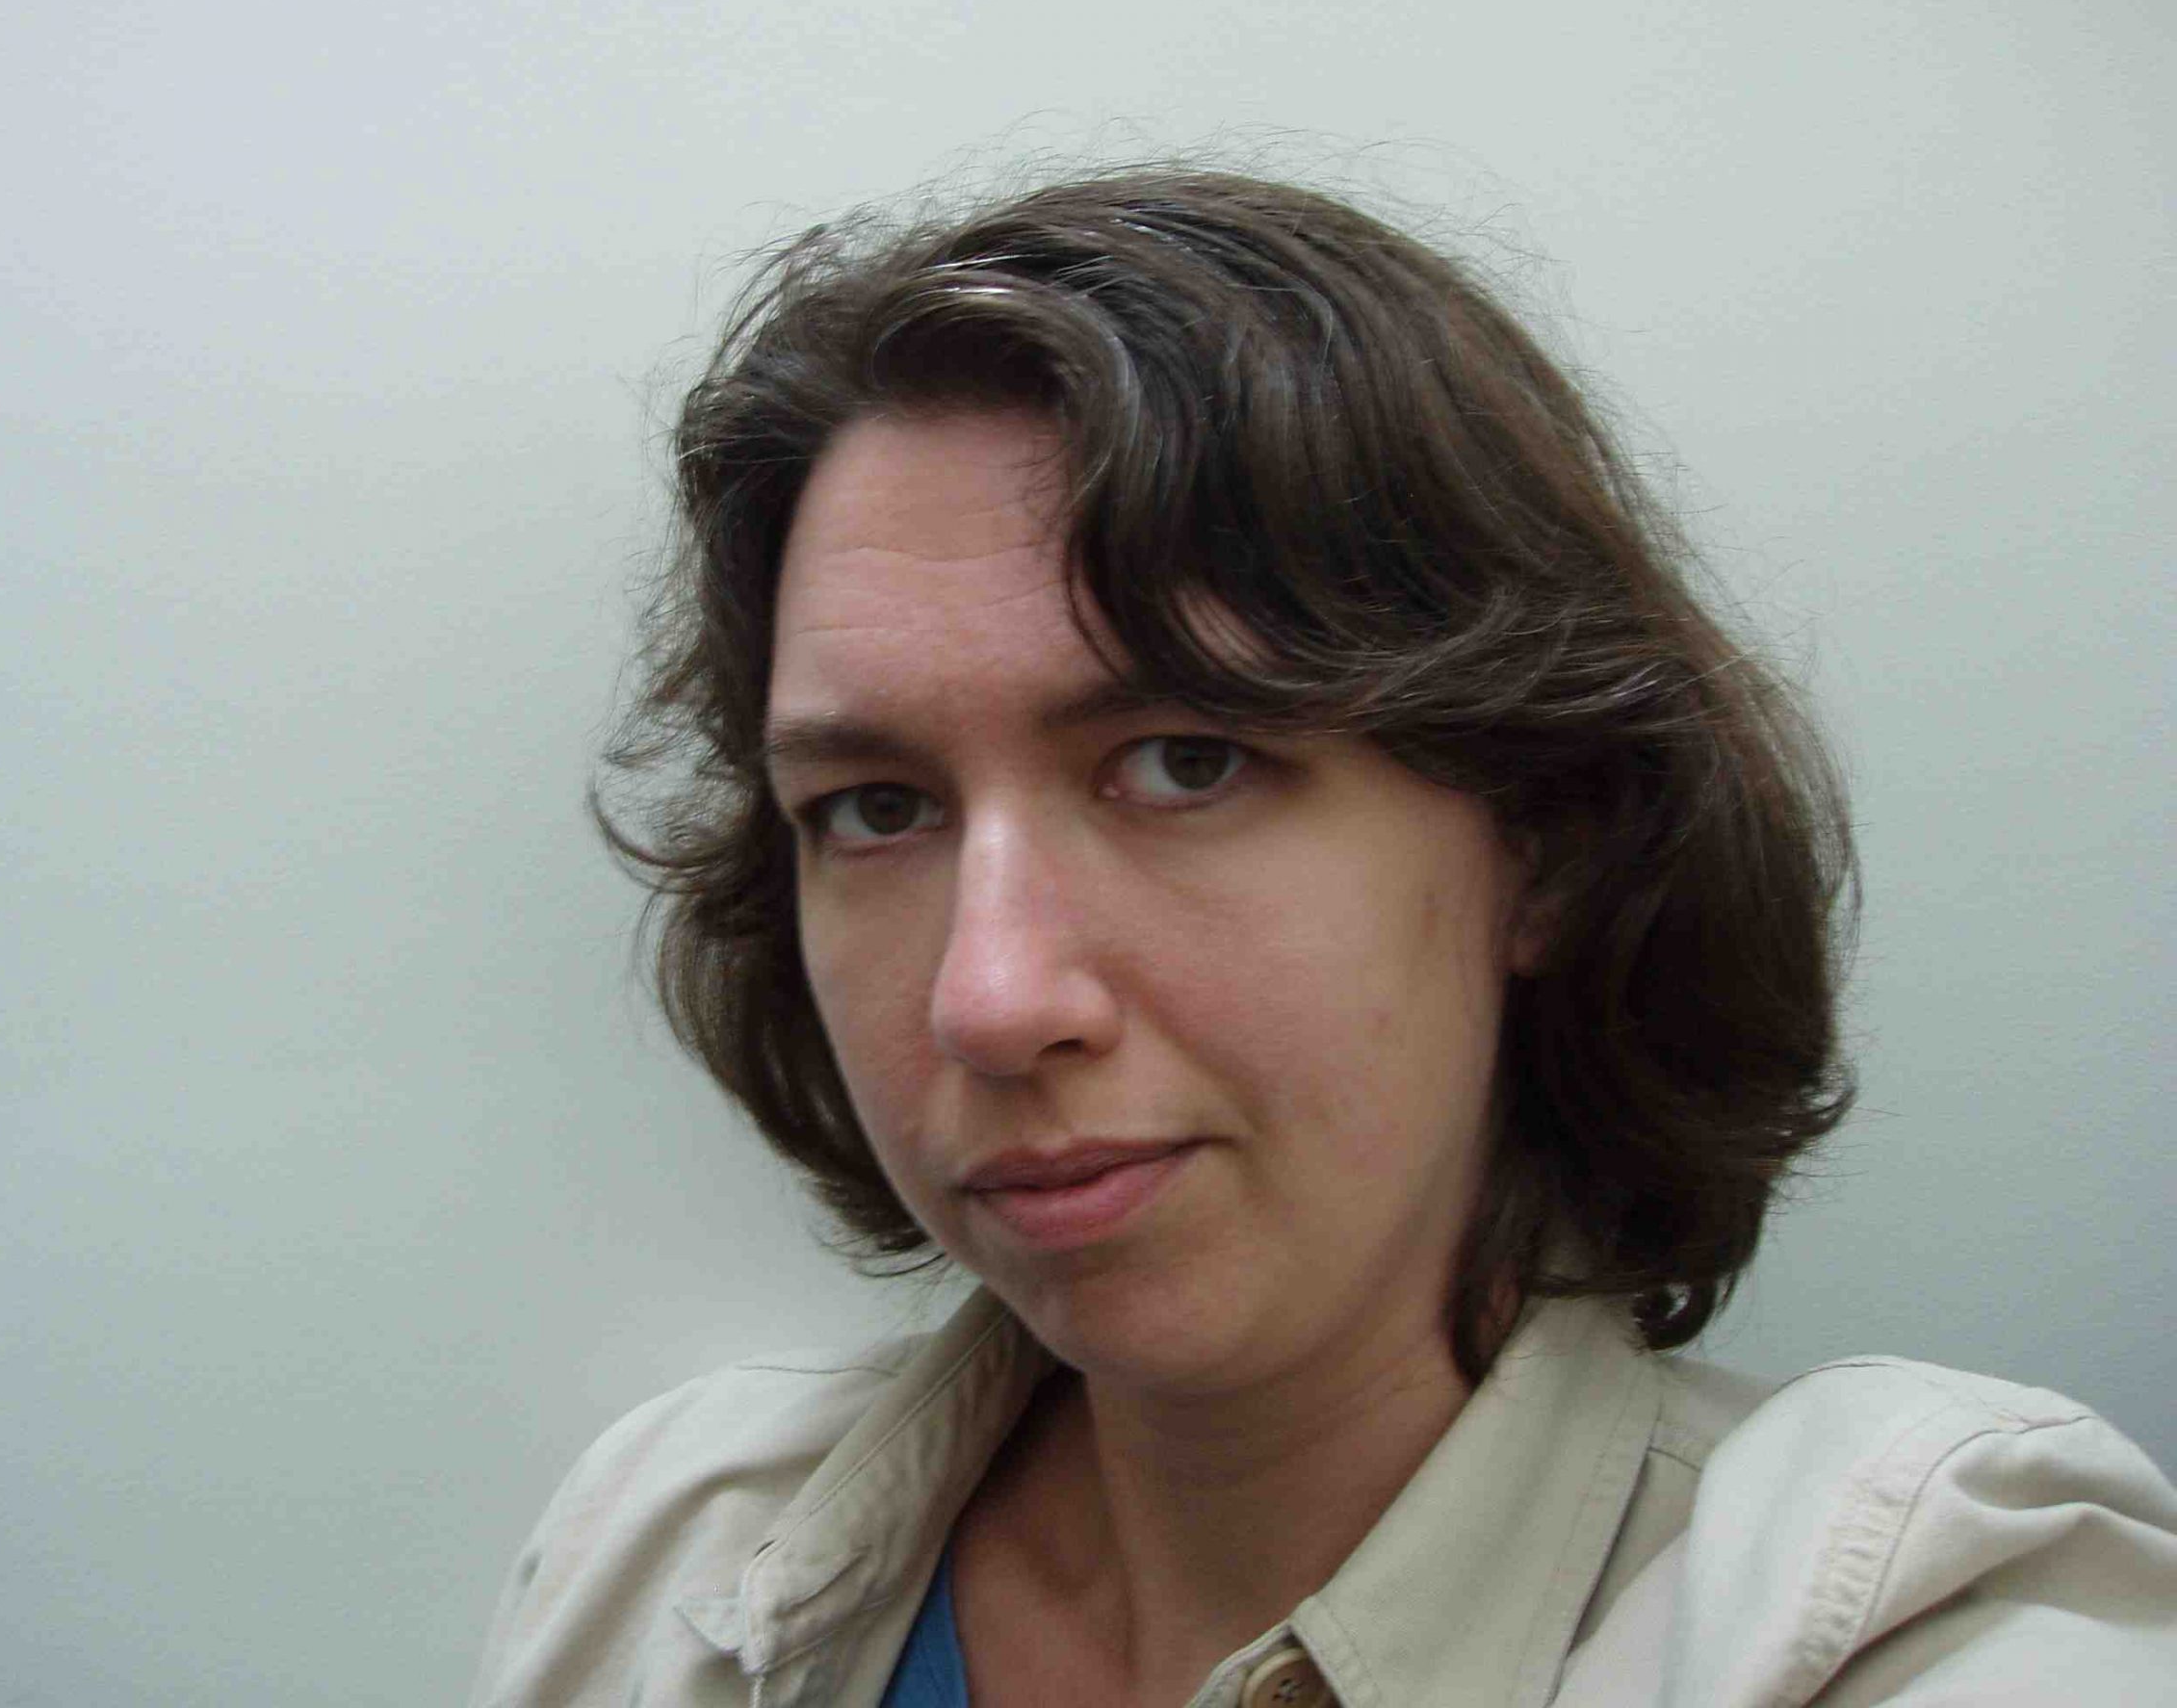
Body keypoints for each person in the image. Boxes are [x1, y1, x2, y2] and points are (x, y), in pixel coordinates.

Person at [470, 168, 2177, 1706]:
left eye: (1184, 764)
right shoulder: (672, 1555)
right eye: (874, 808)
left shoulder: (1897, 1615)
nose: (988, 1000)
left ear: (1546, 838)